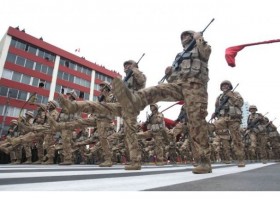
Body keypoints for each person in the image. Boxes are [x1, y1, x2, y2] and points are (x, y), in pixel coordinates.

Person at [112, 29, 212, 174]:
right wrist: (170, 73)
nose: (184, 38)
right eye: (182, 36)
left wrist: (199, 39)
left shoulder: (201, 46)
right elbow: (174, 79)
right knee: (156, 90)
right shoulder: (179, 56)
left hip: (196, 87)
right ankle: (135, 99)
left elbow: (206, 53)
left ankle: (204, 161)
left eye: (187, 35)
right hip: (179, 86)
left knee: (196, 123)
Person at [57, 59, 146, 170]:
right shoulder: (115, 89)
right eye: (125, 66)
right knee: (84, 120)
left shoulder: (136, 76)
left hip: (124, 109)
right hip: (110, 112)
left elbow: (142, 82)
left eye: (128, 65)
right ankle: (72, 106)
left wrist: (135, 70)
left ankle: (132, 160)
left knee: (127, 135)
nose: (126, 67)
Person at [211, 80, 245, 167]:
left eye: (226, 85)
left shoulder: (235, 93)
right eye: (223, 85)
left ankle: (240, 159)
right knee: (212, 127)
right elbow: (217, 108)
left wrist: (232, 97)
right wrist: (214, 113)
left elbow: (240, 103)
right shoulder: (219, 97)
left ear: (230, 86)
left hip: (233, 119)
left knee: (236, 138)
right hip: (222, 118)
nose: (224, 86)